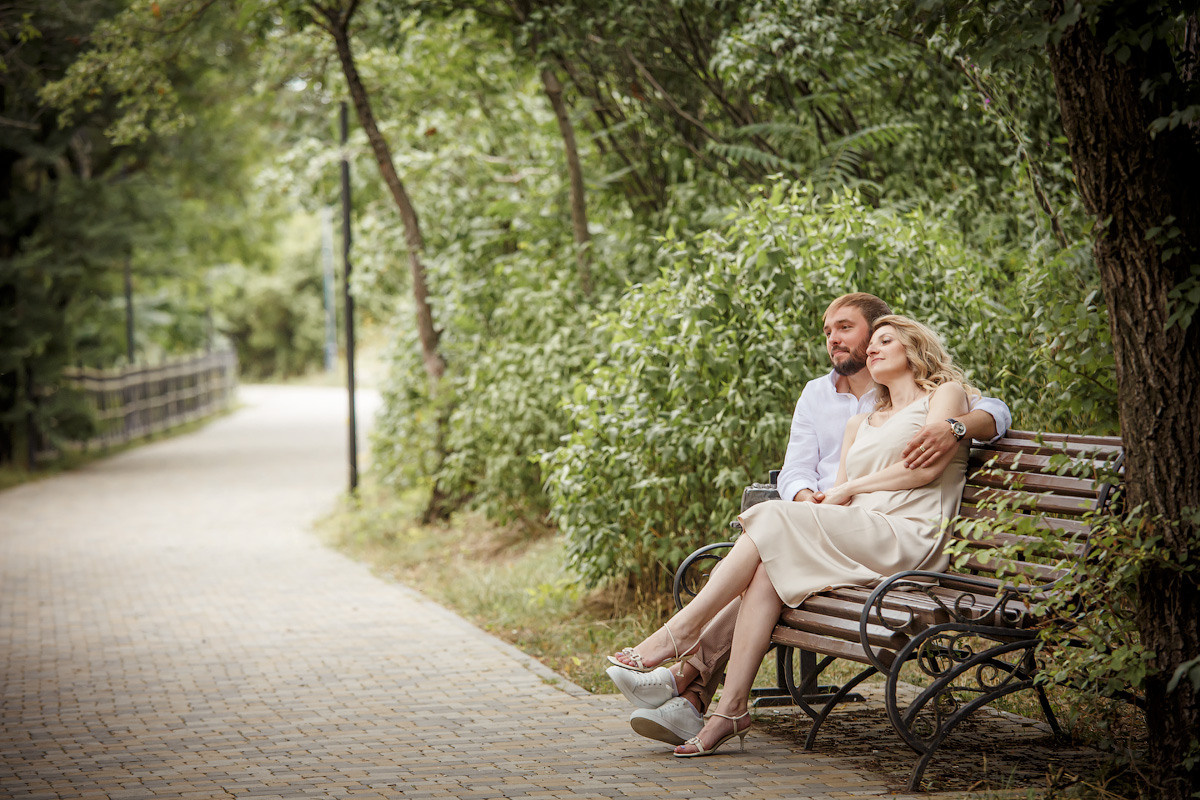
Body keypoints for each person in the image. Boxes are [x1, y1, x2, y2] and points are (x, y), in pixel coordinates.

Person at [606, 299, 1008, 749]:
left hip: (909, 537)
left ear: (914, 349)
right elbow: (827, 488)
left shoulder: (945, 396)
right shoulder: (860, 420)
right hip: (858, 530)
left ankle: (677, 637)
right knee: (767, 571)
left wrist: (839, 495)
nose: (870, 349)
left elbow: (927, 469)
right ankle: (729, 709)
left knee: (773, 519)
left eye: (882, 340)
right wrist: (822, 503)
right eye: (866, 342)